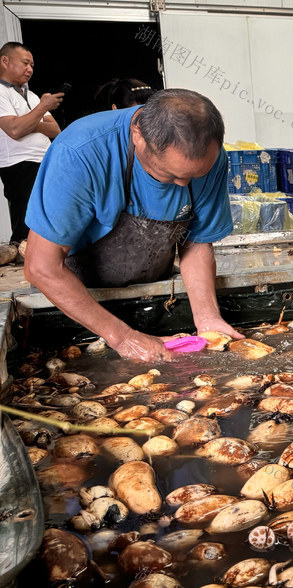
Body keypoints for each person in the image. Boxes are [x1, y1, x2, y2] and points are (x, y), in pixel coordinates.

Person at [23, 88, 243, 362]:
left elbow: (196, 243)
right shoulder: (80, 152)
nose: (184, 185)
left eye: (195, 175)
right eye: (171, 175)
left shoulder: (210, 159)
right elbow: (41, 267)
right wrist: (124, 338)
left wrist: (208, 318)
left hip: (151, 288)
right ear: (138, 137)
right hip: (79, 300)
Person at [0, 42, 62, 245]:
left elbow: (55, 130)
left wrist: (28, 121)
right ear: (5, 61)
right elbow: (15, 130)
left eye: (32, 65)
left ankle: (41, 257)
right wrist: (41, 110)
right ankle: (20, 255)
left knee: (47, 213)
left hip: (43, 160)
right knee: (26, 219)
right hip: (19, 164)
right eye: (25, 63)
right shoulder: (1, 92)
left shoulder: (32, 95)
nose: (30, 69)